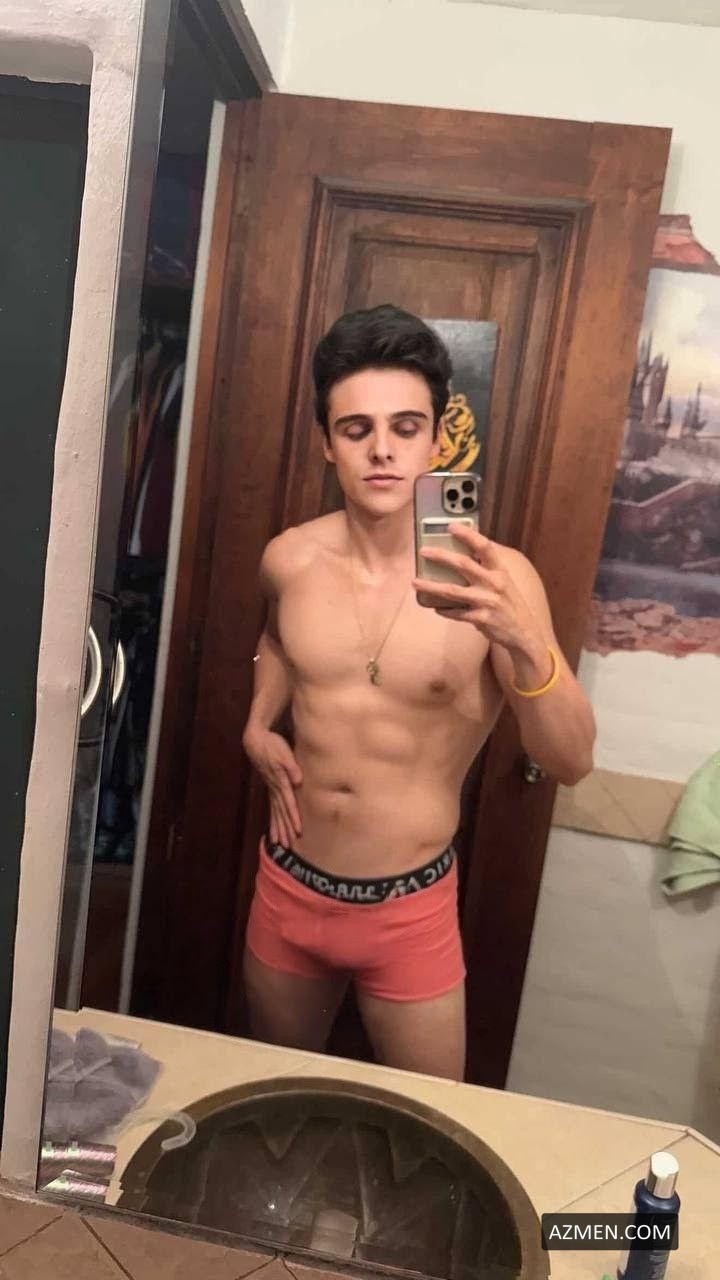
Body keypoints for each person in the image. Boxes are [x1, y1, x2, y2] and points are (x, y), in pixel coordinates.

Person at [242, 304, 595, 1080]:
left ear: (438, 441)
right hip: (289, 890)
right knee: (276, 1108)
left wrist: (521, 638)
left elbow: (571, 761)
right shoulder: (289, 560)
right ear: (326, 442)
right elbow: (277, 642)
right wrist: (259, 723)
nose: (382, 450)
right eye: (356, 429)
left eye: (405, 428)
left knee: (426, 1126)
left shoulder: (495, 576)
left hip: (410, 911)